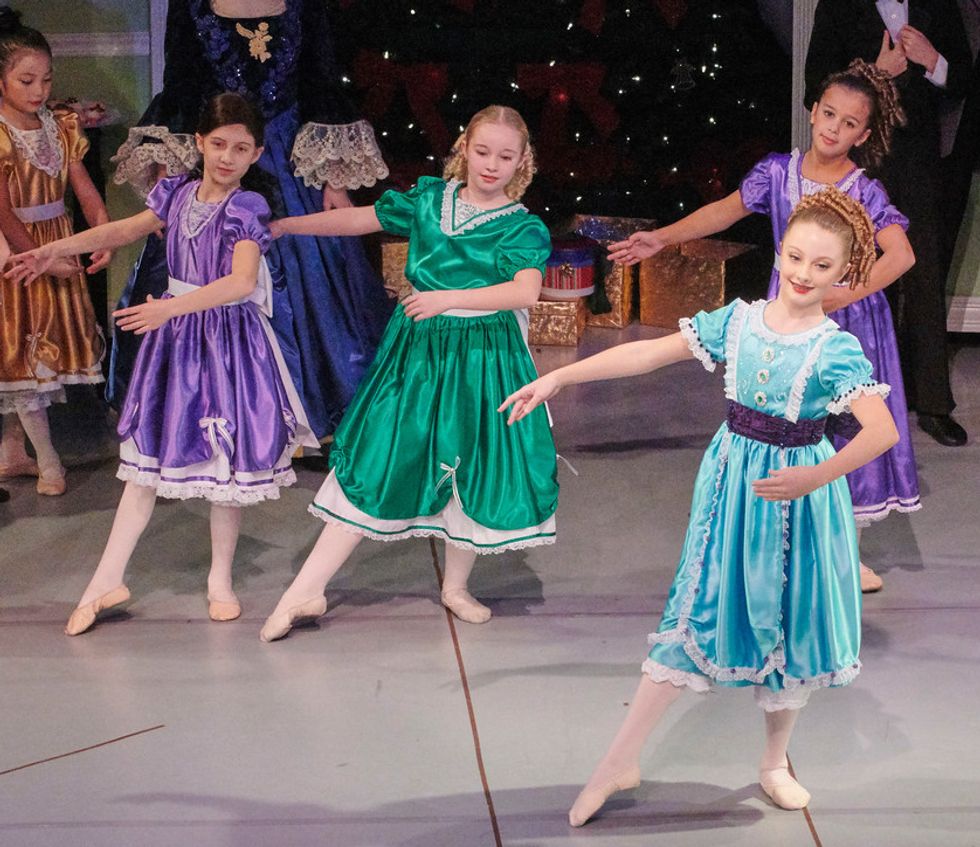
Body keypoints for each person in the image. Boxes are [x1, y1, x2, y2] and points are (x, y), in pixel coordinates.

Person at [501, 188, 900, 826]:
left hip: (798, 493)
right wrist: (561, 376)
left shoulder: (835, 349)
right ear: (780, 249)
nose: (802, 274)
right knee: (694, 610)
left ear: (844, 272)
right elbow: (648, 355)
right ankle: (618, 759)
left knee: (790, 623)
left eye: (821, 266)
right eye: (795, 256)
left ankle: (774, 760)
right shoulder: (737, 321)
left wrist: (816, 477)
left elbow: (881, 432)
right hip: (732, 486)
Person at [8, 92, 318, 635]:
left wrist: (171, 307)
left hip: (225, 342)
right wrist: (53, 250)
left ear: (255, 154)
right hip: (173, 340)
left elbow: (241, 282)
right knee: (144, 460)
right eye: (218, 144)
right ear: (199, 143)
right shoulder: (175, 191)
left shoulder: (248, 208)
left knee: (225, 466)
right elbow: (123, 230)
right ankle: (107, 577)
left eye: (240, 148)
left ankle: (220, 578)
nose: (226, 156)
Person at [607, 60, 915, 593]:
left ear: (863, 134)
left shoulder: (864, 191)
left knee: (843, 430)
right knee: (784, 428)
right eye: (829, 114)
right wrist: (662, 237)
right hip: (788, 315)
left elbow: (901, 254)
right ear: (813, 111)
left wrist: (848, 292)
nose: (834, 129)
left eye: (849, 124)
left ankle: (845, 552)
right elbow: (722, 213)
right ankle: (779, 542)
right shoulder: (776, 172)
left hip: (848, 325)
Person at [258, 105, 558, 642]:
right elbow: (359, 218)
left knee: (468, 462)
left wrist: (449, 298)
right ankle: (306, 588)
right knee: (380, 453)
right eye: (483, 151)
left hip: (483, 356)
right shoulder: (428, 200)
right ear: (465, 146)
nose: (491, 165)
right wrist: (288, 225)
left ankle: (456, 586)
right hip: (417, 354)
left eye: (505, 156)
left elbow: (525, 291)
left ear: (522, 161)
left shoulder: (521, 225)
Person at [108, 0, 392, 438]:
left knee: (313, 282)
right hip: (221, 154)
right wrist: (173, 169)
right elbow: (181, 87)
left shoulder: (302, 8)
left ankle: (310, 415)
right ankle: (217, 414)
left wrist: (332, 179)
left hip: (289, 158)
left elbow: (320, 84)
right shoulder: (193, 8)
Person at [805, 0, 973, 446]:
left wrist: (933, 61)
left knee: (923, 275)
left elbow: (963, 82)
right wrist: (871, 73)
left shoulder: (938, 5)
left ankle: (933, 404)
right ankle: (837, 398)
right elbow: (813, 89)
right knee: (851, 273)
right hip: (856, 163)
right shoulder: (838, 7)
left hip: (919, 159)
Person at [0, 6, 111, 496]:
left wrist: (102, 235)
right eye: (26, 80)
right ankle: (47, 459)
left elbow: (81, 185)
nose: (39, 90)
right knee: (25, 355)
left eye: (45, 79)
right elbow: (2, 211)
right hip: (18, 253)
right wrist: (39, 258)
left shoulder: (60, 126)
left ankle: (13, 452)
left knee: (42, 353)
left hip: (59, 240)